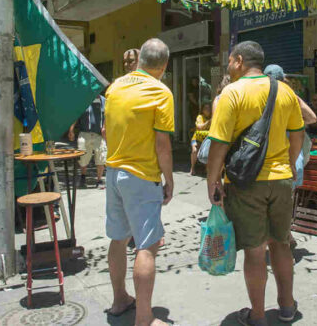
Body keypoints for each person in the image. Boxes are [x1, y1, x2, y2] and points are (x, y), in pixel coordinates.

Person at [206, 42, 304, 325]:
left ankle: (258, 316)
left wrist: (212, 182)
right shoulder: (285, 90)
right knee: (282, 245)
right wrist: (288, 164)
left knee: (255, 250)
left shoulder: (231, 93)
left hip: (246, 183)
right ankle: (287, 308)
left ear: (238, 61)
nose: (227, 66)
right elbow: (297, 135)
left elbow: (219, 145)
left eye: (229, 61)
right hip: (282, 179)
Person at [104, 38, 174, 326]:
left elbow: (106, 131)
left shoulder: (115, 87)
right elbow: (162, 144)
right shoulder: (160, 92)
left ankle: (120, 299)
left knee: (118, 239)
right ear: (164, 65)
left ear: (141, 59)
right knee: (147, 246)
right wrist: (168, 179)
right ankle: (145, 318)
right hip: (142, 176)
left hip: (113, 172)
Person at [69, 94, 107, 189]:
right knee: (83, 157)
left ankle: (99, 180)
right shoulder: (84, 100)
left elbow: (108, 115)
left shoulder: (104, 101)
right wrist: (71, 130)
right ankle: (83, 177)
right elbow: (76, 115)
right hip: (84, 133)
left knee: (101, 157)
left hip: (99, 135)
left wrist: (105, 128)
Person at [189, 102, 212, 175]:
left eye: (209, 108)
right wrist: (208, 122)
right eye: (205, 108)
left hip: (207, 139)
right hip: (197, 138)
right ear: (202, 110)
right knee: (195, 150)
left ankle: (207, 169)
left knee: (209, 151)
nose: (207, 110)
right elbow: (199, 127)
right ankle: (192, 168)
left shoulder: (213, 117)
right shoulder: (200, 117)